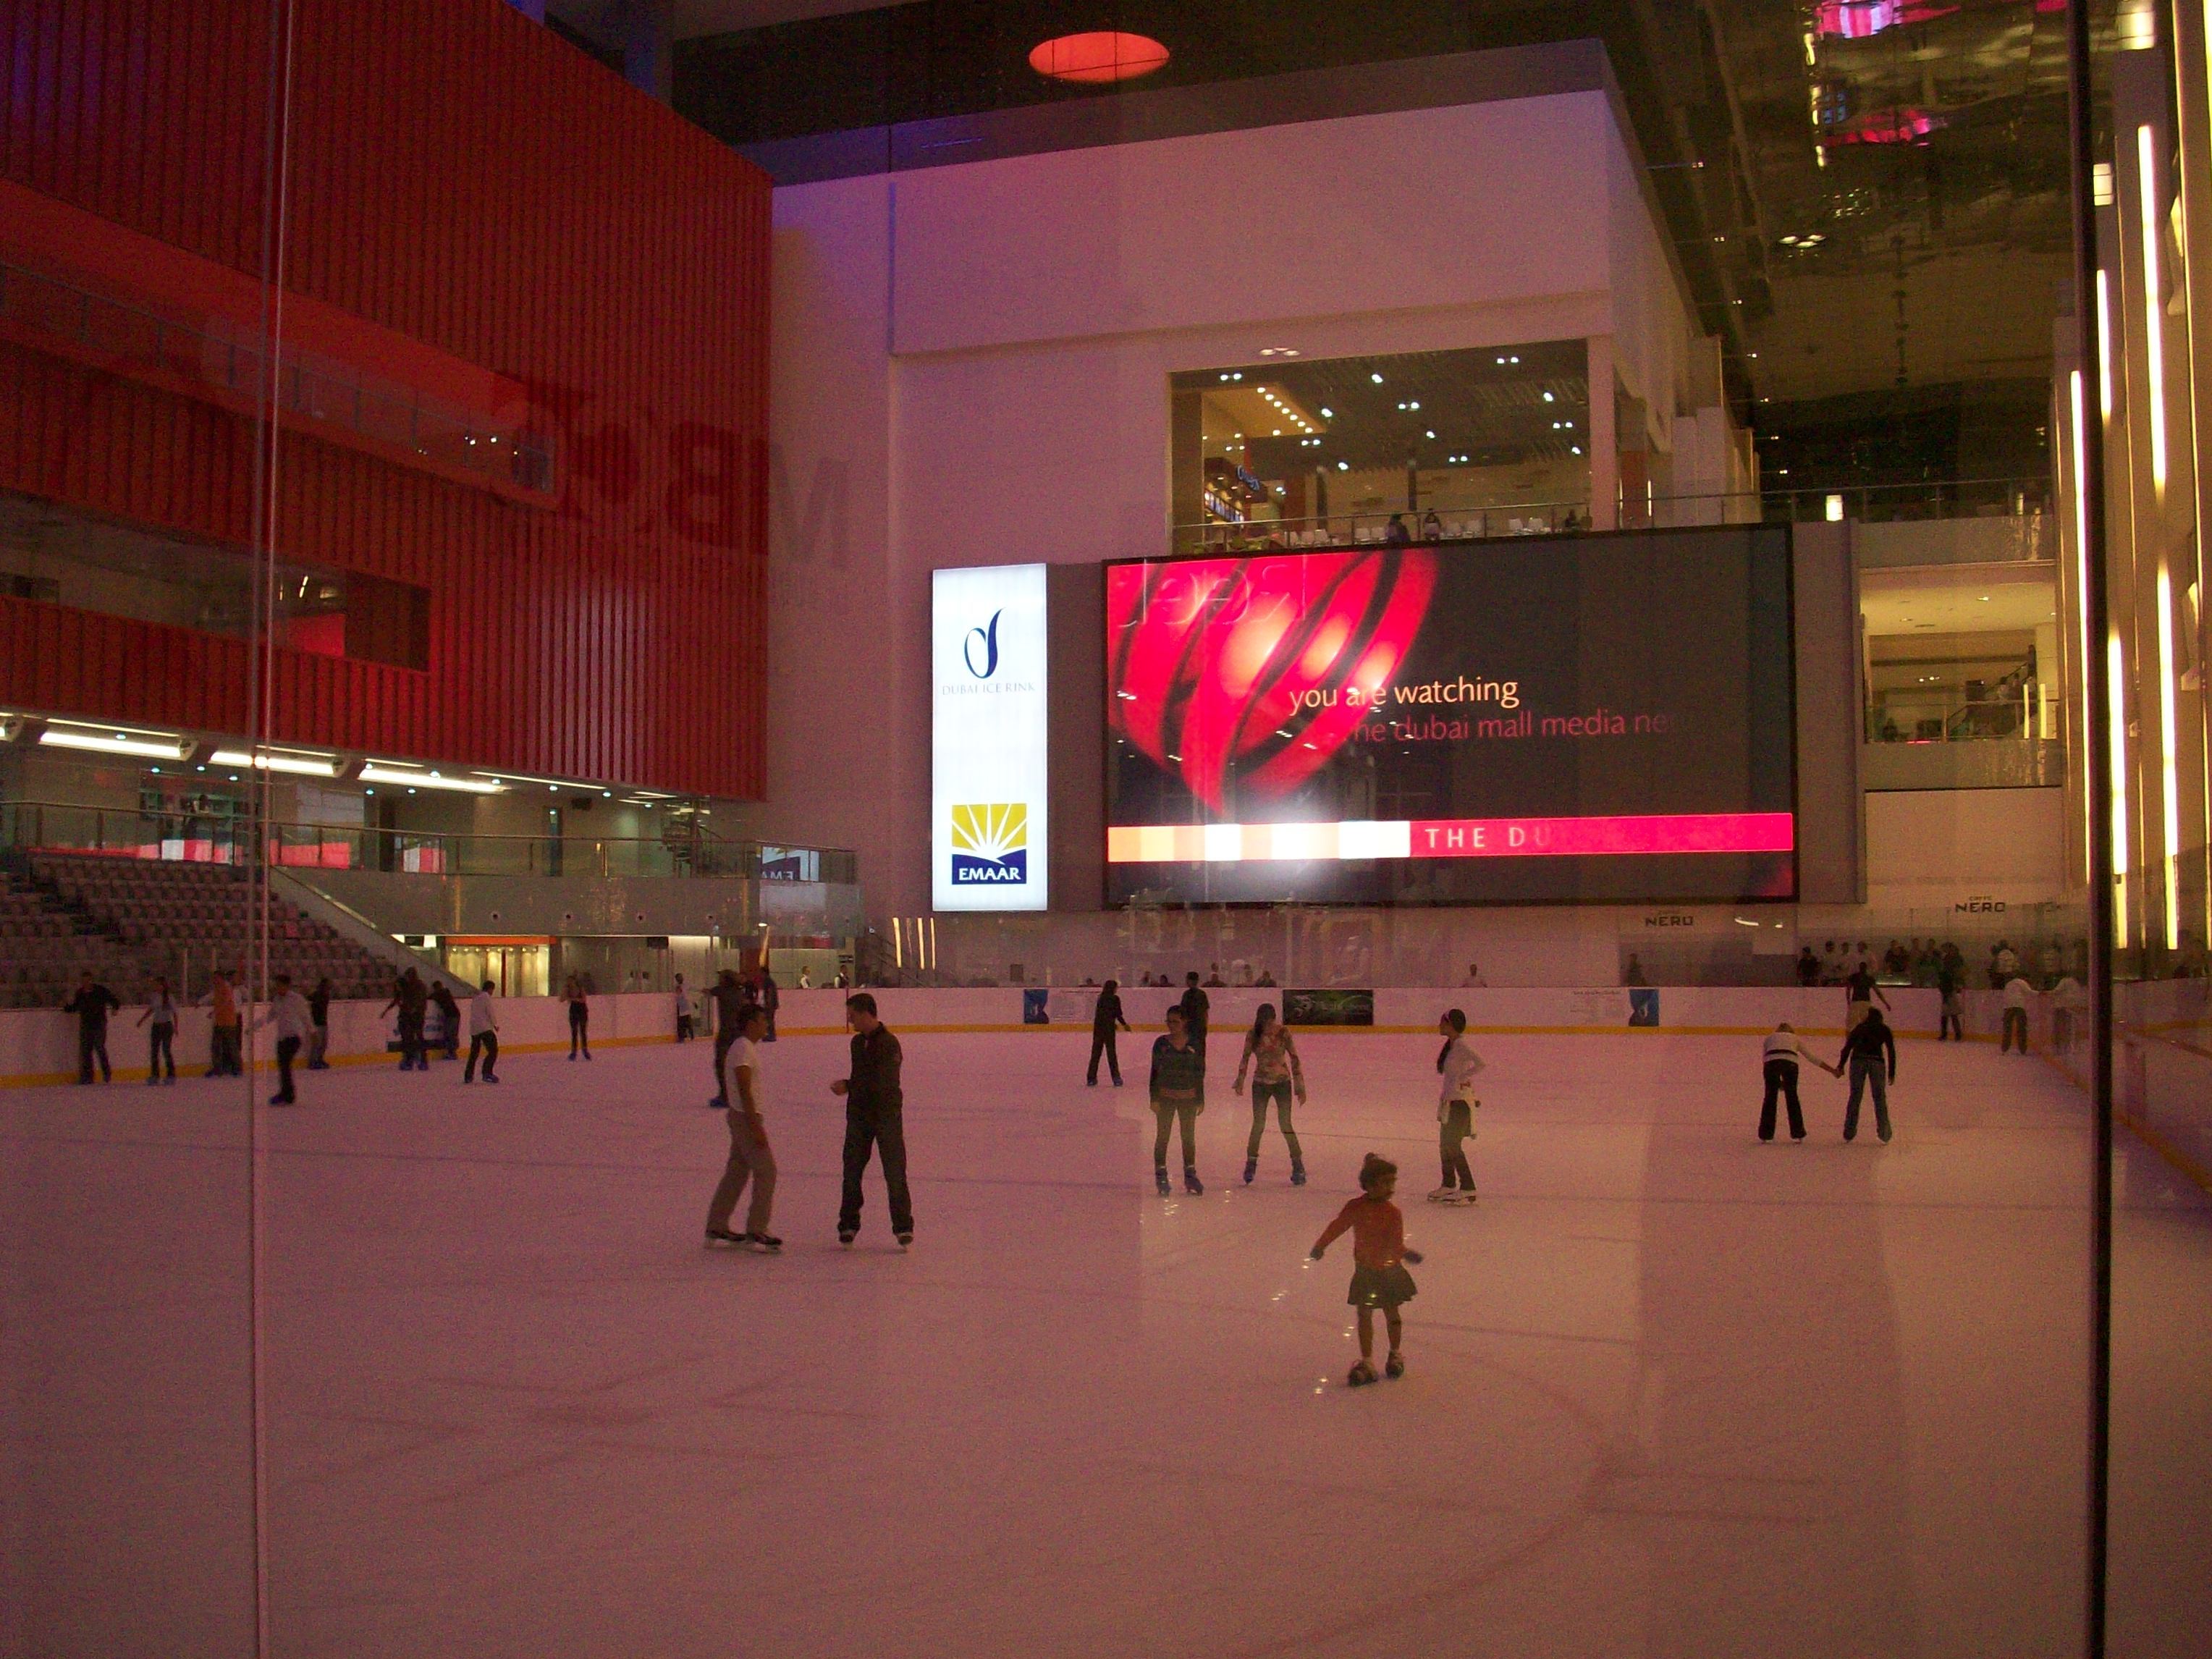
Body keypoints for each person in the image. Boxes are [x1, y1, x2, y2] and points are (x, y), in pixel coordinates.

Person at [1309, 1152, 1424, 1387]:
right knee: (1365, 1315)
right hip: (1366, 1272)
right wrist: (1321, 1245)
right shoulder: (1356, 1207)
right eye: (1385, 1182)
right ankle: (1368, 1360)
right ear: (1370, 1184)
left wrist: (1404, 1253)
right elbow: (1338, 1226)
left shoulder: (1393, 1214)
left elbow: (1394, 1243)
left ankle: (1395, 1353)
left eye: (1392, 1182)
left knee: (1392, 1313)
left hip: (1389, 1273)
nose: (1390, 1188)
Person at [832, 993, 912, 1247]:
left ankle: (902, 1226)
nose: (849, 1020)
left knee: (895, 1172)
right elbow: (864, 1078)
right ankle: (848, 1224)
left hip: (886, 1117)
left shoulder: (890, 1044)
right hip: (859, 1117)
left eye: (852, 1015)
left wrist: (849, 1085)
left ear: (866, 1013)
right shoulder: (857, 1043)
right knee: (852, 1171)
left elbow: (882, 1082)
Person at [705, 1004, 781, 1251]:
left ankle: (717, 1224)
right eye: (762, 1021)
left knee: (737, 1172)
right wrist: (754, 1125)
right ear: (751, 1024)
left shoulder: (743, 1048)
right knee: (767, 1170)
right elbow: (743, 1086)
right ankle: (757, 1228)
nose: (766, 1025)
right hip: (745, 1118)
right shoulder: (742, 1049)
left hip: (742, 1117)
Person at [1233, 1002, 1306, 1186]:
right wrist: (1240, 1079)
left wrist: (1299, 1086)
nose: (1268, 1025)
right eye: (1265, 1021)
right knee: (1258, 1123)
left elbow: (1294, 1057)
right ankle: (1251, 1162)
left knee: (1285, 1123)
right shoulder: (1254, 1034)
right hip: (1260, 1084)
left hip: (1282, 1083)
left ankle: (1298, 1164)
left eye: (1270, 1021)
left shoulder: (1283, 1032)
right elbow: (1245, 1057)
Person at [1148, 1005, 1207, 1196]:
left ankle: (1190, 1174)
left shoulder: (1195, 1044)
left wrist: (1200, 1098)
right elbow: (1155, 1072)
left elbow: (1199, 1072)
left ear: (1184, 1022)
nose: (1171, 1025)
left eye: (1175, 1021)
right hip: (1165, 1097)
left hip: (1188, 1098)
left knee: (1188, 1137)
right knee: (1163, 1136)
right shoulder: (1161, 1044)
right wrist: (1154, 1098)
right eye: (1169, 1021)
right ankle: (1161, 1174)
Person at [1430, 1008, 1484, 1202]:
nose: (1439, 1026)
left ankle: (1468, 1187)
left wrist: (1464, 1078)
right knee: (1445, 1145)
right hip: (1450, 1101)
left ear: (1450, 1025)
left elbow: (1481, 1063)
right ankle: (1448, 1184)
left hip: (1460, 1102)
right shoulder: (1452, 1045)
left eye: (1442, 1022)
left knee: (1452, 1146)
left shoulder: (1461, 1044)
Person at [1759, 1023, 1837, 1143]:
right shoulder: (1794, 1038)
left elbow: (1765, 1058)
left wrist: (1777, 1082)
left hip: (1771, 1063)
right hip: (1790, 1063)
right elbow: (1811, 1057)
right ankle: (1797, 1132)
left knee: (1770, 1098)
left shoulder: (1769, 1038)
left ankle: (1766, 1134)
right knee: (1792, 1097)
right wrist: (1832, 1070)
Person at [1836, 1006, 1898, 1144]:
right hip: (1877, 1062)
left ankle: (1849, 1131)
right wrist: (1892, 1072)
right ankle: (1884, 1133)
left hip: (1858, 1060)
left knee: (1855, 1096)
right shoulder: (1884, 1029)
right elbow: (1891, 1051)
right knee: (1879, 1097)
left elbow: (1847, 1047)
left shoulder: (1860, 1028)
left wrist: (1841, 1065)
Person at [253, 974, 313, 1105]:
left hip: (294, 1037)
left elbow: (305, 1016)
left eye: (280, 985)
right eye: (276, 985)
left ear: (287, 986)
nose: (277, 988)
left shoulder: (296, 999)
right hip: (282, 1038)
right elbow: (270, 1016)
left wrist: (312, 1031)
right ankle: (287, 1093)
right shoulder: (277, 1000)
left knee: (285, 1064)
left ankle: (287, 1094)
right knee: (283, 1066)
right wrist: (255, 1026)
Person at [706, 969, 753, 1105]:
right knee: (737, 1064)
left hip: (726, 1033)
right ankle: (738, 1094)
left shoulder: (721, 990)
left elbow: (708, 992)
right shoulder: (740, 993)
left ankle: (725, 1095)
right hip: (738, 1033)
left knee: (721, 1064)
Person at [64, 971, 120, 1085]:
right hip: (86, 1024)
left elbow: (113, 999)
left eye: (88, 980)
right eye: (84, 980)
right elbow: (76, 1007)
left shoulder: (100, 991)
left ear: (92, 980)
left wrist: (115, 1007)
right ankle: (88, 1077)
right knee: (86, 1051)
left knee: (99, 1048)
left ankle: (106, 1073)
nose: (86, 983)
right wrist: (66, 1007)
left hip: (99, 1023)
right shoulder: (80, 993)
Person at [383, 968, 430, 1071]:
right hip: (408, 1015)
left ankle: (418, 1059)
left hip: (416, 1015)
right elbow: (398, 999)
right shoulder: (407, 987)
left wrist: (414, 1009)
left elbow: (420, 1001)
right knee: (409, 1038)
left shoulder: (417, 987)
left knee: (415, 1037)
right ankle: (412, 1059)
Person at [1087, 978, 1131, 1086]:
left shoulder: (1101, 998)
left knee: (1096, 1054)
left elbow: (1100, 1014)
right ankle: (1116, 1078)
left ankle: (1091, 1078)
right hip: (1109, 1030)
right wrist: (1124, 1025)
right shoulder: (1115, 999)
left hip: (1099, 1029)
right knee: (1111, 1054)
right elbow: (1117, 1014)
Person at [137, 975, 178, 1085]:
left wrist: (176, 1027)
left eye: (158, 984)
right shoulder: (155, 996)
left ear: (163, 986)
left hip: (166, 1026)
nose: (156, 986)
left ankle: (171, 1074)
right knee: (154, 1051)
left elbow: (174, 1013)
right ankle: (155, 1074)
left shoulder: (169, 997)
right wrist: (142, 1020)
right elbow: (151, 1010)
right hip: (156, 1026)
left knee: (166, 1050)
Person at [204, 969, 242, 1078]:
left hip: (229, 1021)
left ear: (221, 978)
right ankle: (218, 1069)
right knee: (215, 1046)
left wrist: (215, 1012)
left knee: (231, 1046)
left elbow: (226, 1002)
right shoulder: (217, 989)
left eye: (216, 978)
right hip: (219, 1022)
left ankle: (237, 1068)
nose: (214, 980)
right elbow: (216, 1001)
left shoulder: (226, 988)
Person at [463, 980, 501, 1083]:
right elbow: (490, 1012)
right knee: (493, 1051)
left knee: (474, 1053)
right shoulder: (486, 997)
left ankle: (468, 1075)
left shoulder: (476, 998)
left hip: (474, 1029)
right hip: (485, 1028)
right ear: (490, 989)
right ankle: (487, 1073)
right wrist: (495, 1025)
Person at [1844, 959, 1890, 1030]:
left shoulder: (1854, 977)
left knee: (1851, 1023)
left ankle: (1850, 1039)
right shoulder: (1869, 978)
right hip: (1866, 1002)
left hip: (1856, 1001)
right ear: (1866, 969)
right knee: (1865, 1022)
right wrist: (1885, 1003)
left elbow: (1848, 990)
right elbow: (1878, 992)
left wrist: (1848, 1001)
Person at [1178, 971, 1211, 1059]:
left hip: (1191, 1027)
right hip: (1199, 1027)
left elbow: (1183, 1013)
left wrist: (1182, 1027)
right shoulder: (1202, 994)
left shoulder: (1186, 995)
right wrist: (1205, 1026)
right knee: (1200, 1050)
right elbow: (1205, 1013)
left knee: (1190, 1049)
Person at [2001, 974, 2035, 1054]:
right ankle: (2022, 1049)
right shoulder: (2021, 982)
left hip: (2008, 1007)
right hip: (2019, 1006)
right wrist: (2040, 993)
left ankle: (2005, 1047)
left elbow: (2005, 996)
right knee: (2021, 1027)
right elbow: (2029, 992)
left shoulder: (2008, 984)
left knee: (2007, 1028)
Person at [429, 980, 461, 1063]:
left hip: (451, 1015)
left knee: (450, 1034)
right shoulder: (446, 992)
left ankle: (452, 1052)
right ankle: (452, 1052)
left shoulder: (440, 994)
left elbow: (431, 997)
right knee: (452, 1034)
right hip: (454, 1014)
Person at [306, 976, 334, 1069]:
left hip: (323, 1022)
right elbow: (309, 999)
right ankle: (313, 1061)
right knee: (317, 1044)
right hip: (316, 1023)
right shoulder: (317, 995)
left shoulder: (326, 995)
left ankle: (319, 1059)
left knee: (323, 1043)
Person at [1936, 953, 1965, 1042]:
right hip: (1949, 994)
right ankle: (1956, 1035)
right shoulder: (1950, 972)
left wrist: (1945, 995)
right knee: (1952, 1016)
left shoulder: (1945, 973)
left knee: (1948, 1016)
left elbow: (1944, 985)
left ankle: (1948, 1035)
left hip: (1948, 995)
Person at [562, 973, 591, 1061]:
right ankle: (574, 1051)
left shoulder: (580, 989)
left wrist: (572, 999)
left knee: (583, 1031)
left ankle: (585, 1050)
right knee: (574, 1032)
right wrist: (564, 990)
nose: (569, 983)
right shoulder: (568, 990)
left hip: (582, 1011)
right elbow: (561, 999)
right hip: (573, 1011)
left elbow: (583, 999)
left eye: (570, 981)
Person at [759, 967, 780, 1042]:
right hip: (772, 1003)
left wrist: (768, 1003)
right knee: (769, 1020)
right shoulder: (768, 981)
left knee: (769, 1020)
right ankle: (770, 1034)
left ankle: (771, 1035)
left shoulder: (768, 981)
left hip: (770, 1004)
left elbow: (770, 992)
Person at [673, 974, 693, 1043]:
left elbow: (688, 995)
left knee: (687, 1021)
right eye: (679, 978)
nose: (680, 979)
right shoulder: (677, 987)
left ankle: (690, 1033)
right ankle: (682, 1037)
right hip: (681, 1006)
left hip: (685, 1006)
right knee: (681, 1023)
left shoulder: (686, 985)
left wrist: (693, 1002)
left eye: (681, 977)